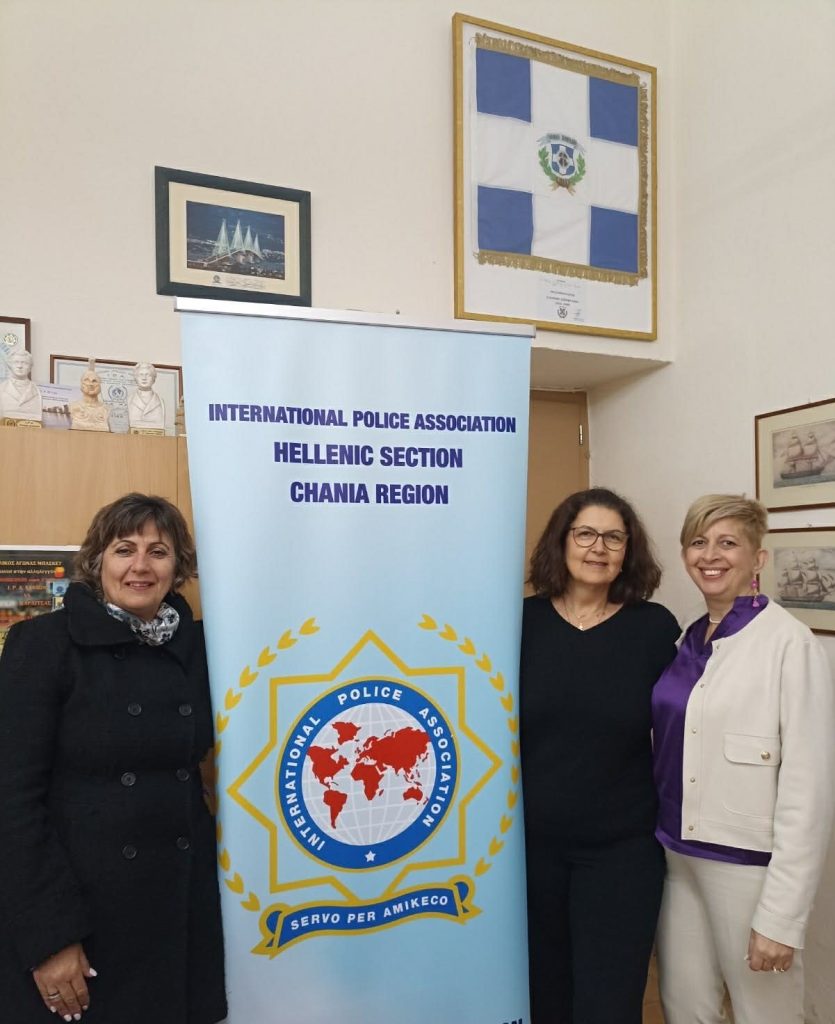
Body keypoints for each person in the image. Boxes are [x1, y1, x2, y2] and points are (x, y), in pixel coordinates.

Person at [0, 494, 227, 1024]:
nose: (140, 566)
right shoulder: (43, 644)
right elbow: (11, 802)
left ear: (178, 567)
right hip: (81, 917)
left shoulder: (204, 649)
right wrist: (50, 936)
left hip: (178, 909)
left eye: (158, 551)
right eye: (125, 549)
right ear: (98, 560)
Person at [653, 494, 835, 1024]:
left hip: (746, 866)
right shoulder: (688, 639)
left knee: (765, 1012)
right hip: (675, 854)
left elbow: (809, 790)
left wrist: (781, 917)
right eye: (698, 542)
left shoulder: (789, 645)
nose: (710, 555)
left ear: (758, 558)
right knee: (685, 1005)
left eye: (728, 543)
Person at [521, 487, 680, 1023]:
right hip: (529, 849)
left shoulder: (654, 628)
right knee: (543, 994)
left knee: (607, 1003)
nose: (598, 548)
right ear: (561, 541)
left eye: (614, 537)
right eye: (585, 533)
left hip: (621, 851)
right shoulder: (520, 624)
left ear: (628, 551)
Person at [0, 348, 42, 421]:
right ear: (10, 365)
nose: (19, 366)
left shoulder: (38, 390)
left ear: (30, 367)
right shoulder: (2, 388)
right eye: (16, 362)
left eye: (25, 363)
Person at [69, 362, 109, 432]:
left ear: (100, 386)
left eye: (94, 381)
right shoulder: (73, 407)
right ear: (81, 385)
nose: (91, 384)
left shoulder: (106, 409)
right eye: (87, 380)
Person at [128, 362, 165, 431]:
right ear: (135, 378)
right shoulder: (130, 399)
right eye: (140, 375)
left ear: (154, 379)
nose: (144, 378)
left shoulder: (160, 400)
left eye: (148, 375)